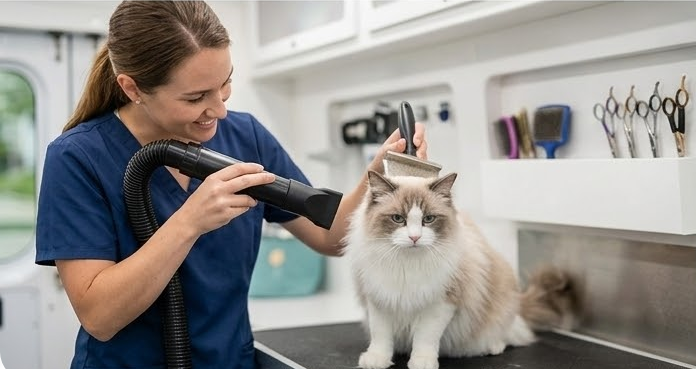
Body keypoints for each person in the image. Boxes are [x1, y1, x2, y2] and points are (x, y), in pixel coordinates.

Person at [34, 1, 428, 369]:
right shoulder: (77, 158)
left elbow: (332, 236)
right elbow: (100, 317)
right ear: (133, 89)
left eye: (225, 83)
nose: (220, 109)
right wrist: (190, 222)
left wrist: (380, 178)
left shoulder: (244, 137)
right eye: (196, 97)